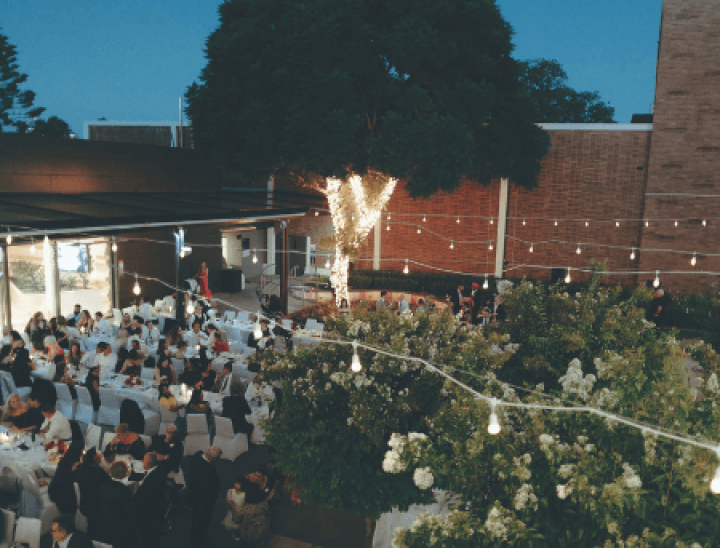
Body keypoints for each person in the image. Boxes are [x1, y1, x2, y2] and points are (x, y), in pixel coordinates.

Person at [186, 446, 223, 547]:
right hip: (204, 500)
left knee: (196, 519)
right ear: (213, 459)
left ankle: (196, 538)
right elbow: (211, 488)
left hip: (194, 495)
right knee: (201, 520)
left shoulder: (197, 456)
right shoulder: (209, 470)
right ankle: (198, 540)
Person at [98, 461, 139, 548]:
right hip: (121, 528)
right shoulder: (125, 491)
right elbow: (130, 512)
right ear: (123, 474)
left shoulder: (103, 487)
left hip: (105, 526)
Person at [73, 447, 110, 540]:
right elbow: (109, 484)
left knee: (92, 526)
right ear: (94, 457)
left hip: (84, 504)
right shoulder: (99, 472)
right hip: (98, 506)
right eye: (97, 454)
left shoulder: (80, 469)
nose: (100, 455)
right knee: (95, 529)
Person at [134, 451, 169, 546]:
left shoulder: (151, 481)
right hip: (157, 511)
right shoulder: (158, 471)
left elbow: (142, 498)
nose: (142, 462)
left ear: (149, 464)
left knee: (149, 540)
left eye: (143, 461)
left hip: (149, 516)